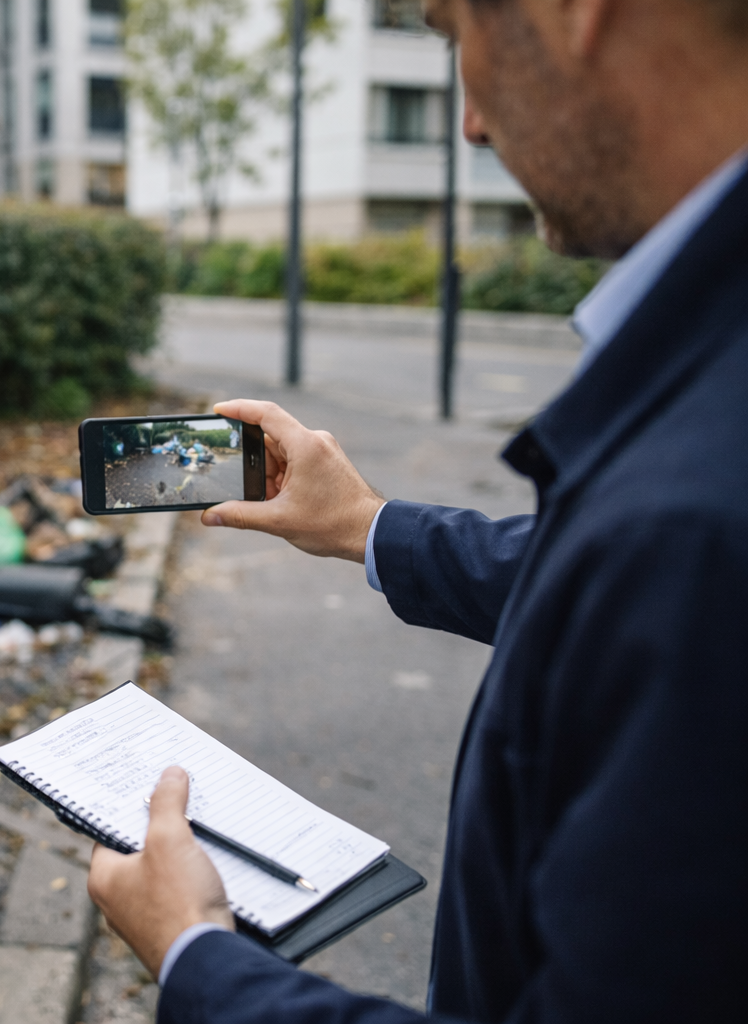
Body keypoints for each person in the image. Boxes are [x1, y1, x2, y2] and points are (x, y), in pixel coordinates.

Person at [88, 0, 747, 1020]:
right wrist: (364, 523)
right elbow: (596, 581)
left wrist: (196, 958)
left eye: (455, 35)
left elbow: (656, 566)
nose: (470, 123)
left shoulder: (696, 514)